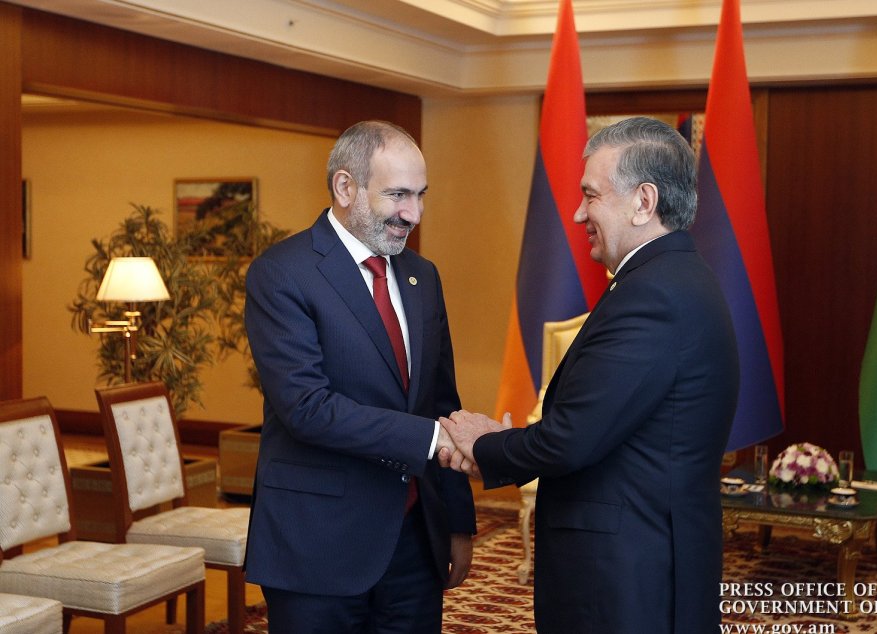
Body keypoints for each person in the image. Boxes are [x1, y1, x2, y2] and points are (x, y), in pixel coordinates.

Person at [440, 116, 740, 633]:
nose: (578, 213)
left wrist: (484, 445)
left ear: (644, 201)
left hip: (626, 576)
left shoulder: (654, 295)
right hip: (644, 561)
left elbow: (570, 439)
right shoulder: (673, 279)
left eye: (591, 195)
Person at [244, 120, 475, 633]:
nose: (413, 213)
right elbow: (307, 408)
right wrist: (433, 439)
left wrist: (458, 521)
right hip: (318, 544)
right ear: (345, 187)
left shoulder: (422, 276)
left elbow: (442, 399)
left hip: (414, 541)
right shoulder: (282, 273)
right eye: (397, 194)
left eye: (420, 195)